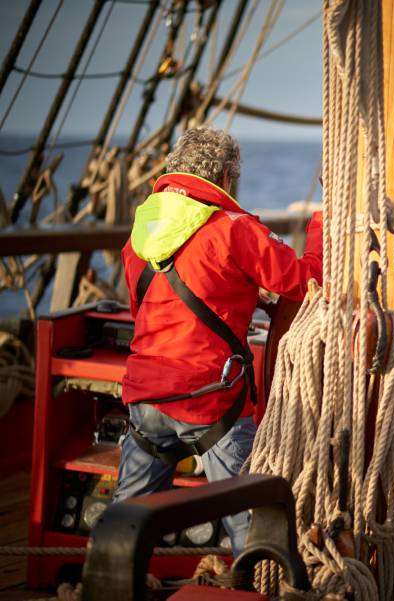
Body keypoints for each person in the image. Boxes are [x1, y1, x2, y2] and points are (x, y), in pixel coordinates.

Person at [114, 127, 323, 553]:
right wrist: (324, 220)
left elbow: (151, 315)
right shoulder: (234, 230)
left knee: (124, 527)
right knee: (251, 530)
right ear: (227, 176)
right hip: (210, 403)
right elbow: (306, 281)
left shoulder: (139, 238)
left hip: (145, 399)